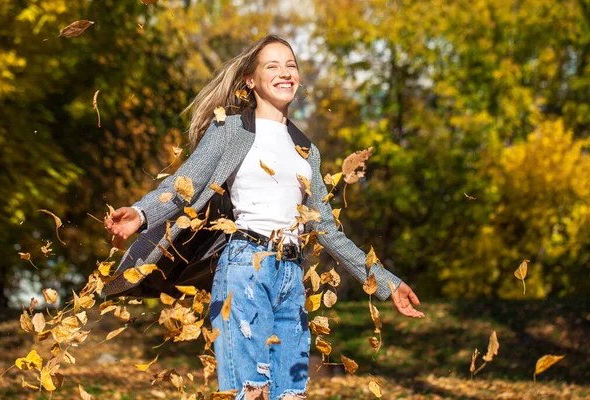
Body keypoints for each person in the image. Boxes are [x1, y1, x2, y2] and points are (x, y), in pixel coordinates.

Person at [104, 35, 424, 400]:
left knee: (291, 393)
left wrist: (384, 281)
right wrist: (142, 214)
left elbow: (328, 231)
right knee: (250, 391)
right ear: (250, 81)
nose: (285, 72)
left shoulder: (306, 149)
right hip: (244, 268)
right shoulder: (230, 130)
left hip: (291, 277)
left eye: (291, 65)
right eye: (272, 65)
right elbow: (185, 185)